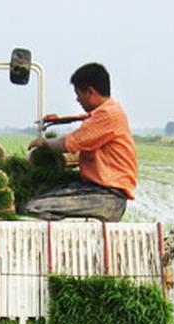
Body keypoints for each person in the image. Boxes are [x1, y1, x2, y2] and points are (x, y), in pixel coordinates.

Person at [23, 63, 137, 222]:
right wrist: (60, 120)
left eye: (78, 94)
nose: (77, 99)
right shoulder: (107, 111)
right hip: (97, 189)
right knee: (42, 189)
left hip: (107, 196)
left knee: (34, 207)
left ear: (90, 91)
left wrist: (44, 143)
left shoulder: (108, 115)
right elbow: (86, 118)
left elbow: (69, 143)